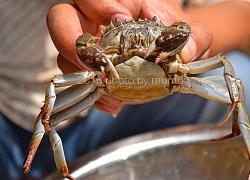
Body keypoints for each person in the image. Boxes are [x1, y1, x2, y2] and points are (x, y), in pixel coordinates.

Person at [0, 0, 249, 179]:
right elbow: (56, 86)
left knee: (239, 76)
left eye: (146, 35)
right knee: (48, 114)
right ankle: (54, 168)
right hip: (13, 103)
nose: (137, 42)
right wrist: (91, 54)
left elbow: (242, 11)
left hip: (134, 102)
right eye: (122, 32)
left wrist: (190, 38)